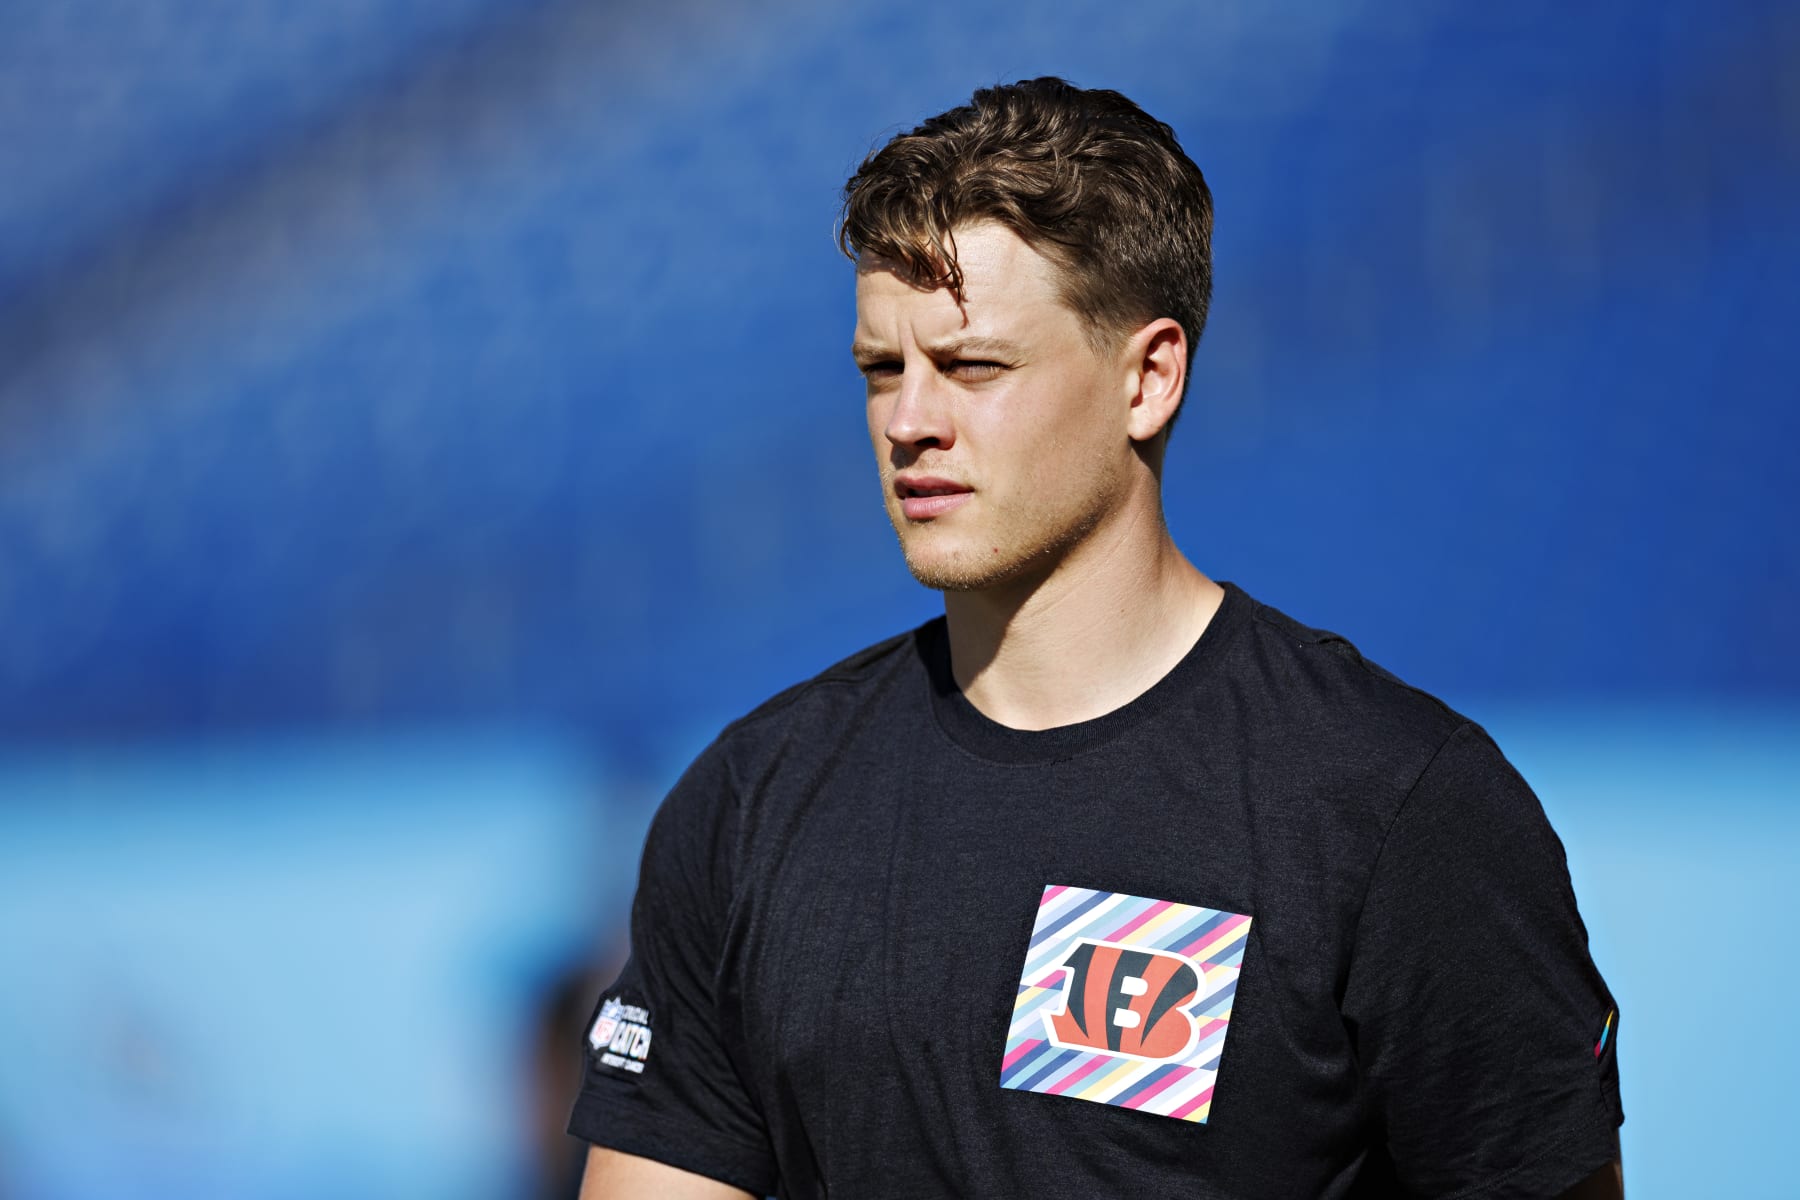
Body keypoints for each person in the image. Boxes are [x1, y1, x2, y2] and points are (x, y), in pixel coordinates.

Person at [568, 78, 1624, 1199]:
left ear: (1148, 377)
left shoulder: (1393, 806)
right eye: (883, 369)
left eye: (974, 367)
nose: (911, 421)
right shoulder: (752, 803)